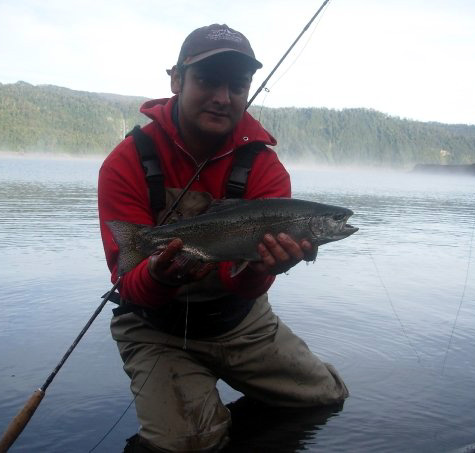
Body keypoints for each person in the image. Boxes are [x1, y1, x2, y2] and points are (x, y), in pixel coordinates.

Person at [98, 24, 348, 452]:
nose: (222, 96)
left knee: (326, 398)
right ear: (176, 80)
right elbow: (129, 286)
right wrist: (161, 274)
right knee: (189, 445)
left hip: (240, 320)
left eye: (236, 85)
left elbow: (243, 281)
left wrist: (265, 269)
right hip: (154, 325)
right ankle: (198, 422)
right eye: (207, 80)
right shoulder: (127, 163)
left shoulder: (266, 169)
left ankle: (220, 423)